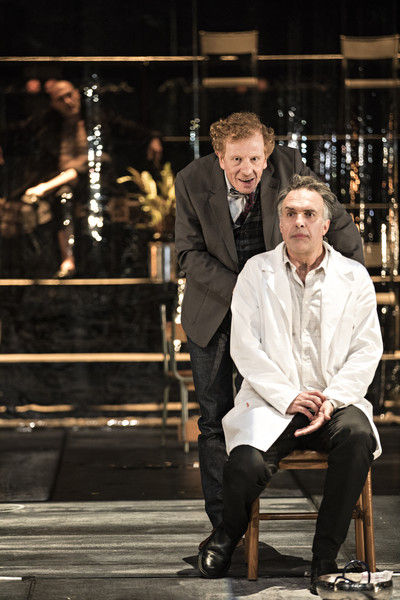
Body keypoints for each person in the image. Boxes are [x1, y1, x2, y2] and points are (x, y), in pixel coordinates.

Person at [174, 111, 364, 537]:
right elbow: (188, 254)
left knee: (273, 403)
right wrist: (245, 289)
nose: (248, 170)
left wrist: (352, 275)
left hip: (276, 311)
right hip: (215, 311)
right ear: (220, 157)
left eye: (256, 159)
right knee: (213, 420)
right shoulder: (191, 180)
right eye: (237, 160)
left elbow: (334, 218)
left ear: (267, 153)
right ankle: (226, 531)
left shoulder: (289, 165)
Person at [198, 174, 382, 593]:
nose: (300, 221)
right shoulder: (255, 272)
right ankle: (227, 534)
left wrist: (332, 399)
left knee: (358, 438)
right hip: (272, 402)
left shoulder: (353, 276)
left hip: (334, 404)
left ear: (325, 224)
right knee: (244, 464)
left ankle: (324, 557)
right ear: (280, 223)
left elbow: (367, 349)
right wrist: (289, 396)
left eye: (309, 214)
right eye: (291, 213)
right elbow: (245, 347)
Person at [1, 79, 161, 277]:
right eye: (61, 99)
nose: (68, 102)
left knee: (87, 164)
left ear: (77, 93)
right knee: (64, 198)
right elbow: (18, 130)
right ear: (53, 104)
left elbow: (129, 129)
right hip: (64, 180)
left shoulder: (97, 117)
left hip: (94, 177)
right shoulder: (48, 122)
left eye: (70, 95)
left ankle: (45, 187)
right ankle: (68, 259)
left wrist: (153, 137)